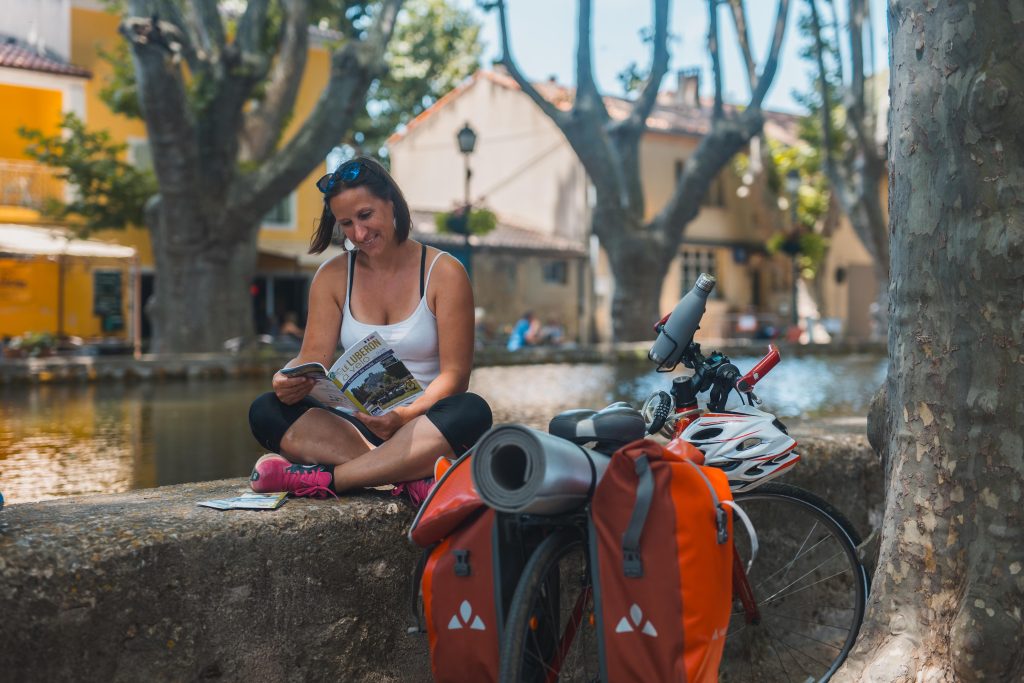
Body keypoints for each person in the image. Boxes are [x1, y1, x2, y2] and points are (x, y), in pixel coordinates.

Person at [247, 157, 492, 504]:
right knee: (266, 411)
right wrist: (287, 379)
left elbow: (455, 377)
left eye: (365, 216)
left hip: (424, 424)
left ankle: (334, 479)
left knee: (472, 411)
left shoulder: (444, 273)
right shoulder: (332, 277)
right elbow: (311, 358)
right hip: (358, 426)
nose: (358, 234)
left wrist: (404, 415)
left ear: (391, 203)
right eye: (346, 223)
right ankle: (409, 477)